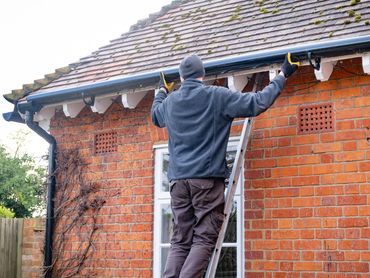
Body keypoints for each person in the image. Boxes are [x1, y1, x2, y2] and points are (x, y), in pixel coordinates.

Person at [151, 53, 298, 278]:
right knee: (203, 238)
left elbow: (155, 116)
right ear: (202, 74)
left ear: (181, 77)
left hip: (177, 183)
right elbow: (258, 102)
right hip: (205, 181)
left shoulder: (171, 102)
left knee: (180, 241)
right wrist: (282, 75)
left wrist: (162, 90)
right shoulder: (216, 96)